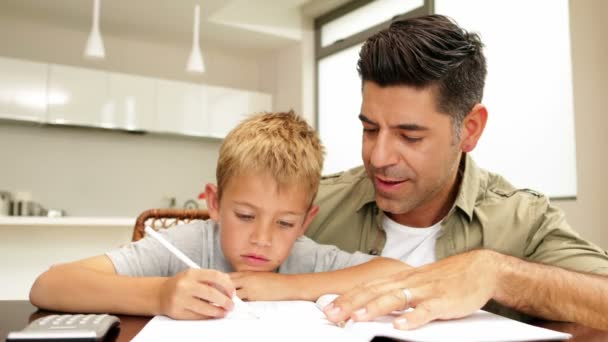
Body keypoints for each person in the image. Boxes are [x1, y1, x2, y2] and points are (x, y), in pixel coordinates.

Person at [305, 15, 608, 330]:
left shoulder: (523, 221)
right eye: (369, 129)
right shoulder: (310, 208)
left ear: (469, 129)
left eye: (410, 137)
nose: (379, 157)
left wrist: (497, 274)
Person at [29, 111, 408, 320]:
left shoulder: (305, 257)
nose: (262, 238)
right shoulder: (186, 245)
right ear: (214, 203)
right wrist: (160, 294)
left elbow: (399, 275)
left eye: (285, 223)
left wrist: (287, 286)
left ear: (305, 222)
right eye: (245, 215)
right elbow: (48, 285)